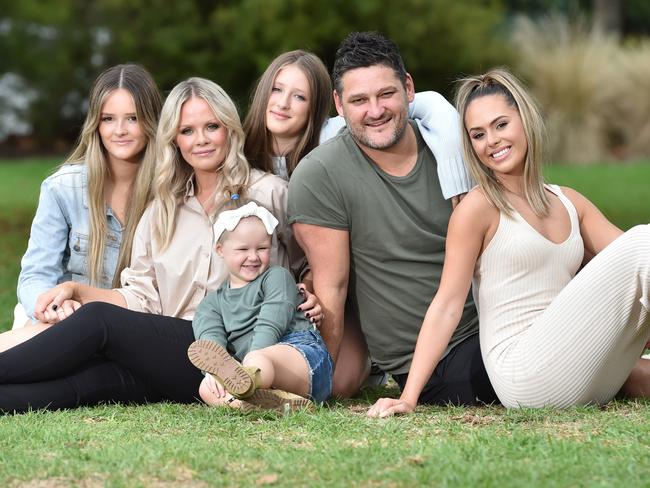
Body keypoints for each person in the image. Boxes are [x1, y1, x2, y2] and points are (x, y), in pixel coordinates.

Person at [0, 77, 319, 413]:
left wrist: (309, 286)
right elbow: (140, 297)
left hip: (238, 349)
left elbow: (308, 260)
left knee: (98, 322)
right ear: (174, 140)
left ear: (230, 129)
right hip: (173, 358)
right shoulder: (162, 210)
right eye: (187, 131)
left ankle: (244, 386)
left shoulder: (269, 193)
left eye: (212, 126)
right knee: (87, 383)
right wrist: (77, 290)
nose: (201, 140)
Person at [368, 68, 650, 416]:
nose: (492, 141)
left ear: (525, 120)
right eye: (478, 134)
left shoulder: (570, 202)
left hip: (578, 366)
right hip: (523, 373)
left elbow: (637, 268)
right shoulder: (477, 208)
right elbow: (447, 305)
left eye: (501, 125)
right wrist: (408, 398)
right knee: (644, 240)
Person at [288, 31, 498, 403]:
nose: (375, 110)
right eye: (359, 100)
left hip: (502, 320)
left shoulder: (454, 149)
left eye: (386, 94)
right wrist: (325, 381)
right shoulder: (321, 174)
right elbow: (332, 287)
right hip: (436, 362)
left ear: (408, 89)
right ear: (338, 104)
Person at [12, 64, 161, 331]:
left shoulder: (169, 193)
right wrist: (57, 307)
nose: (119, 130)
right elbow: (36, 276)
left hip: (134, 327)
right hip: (64, 319)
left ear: (151, 121)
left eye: (133, 118)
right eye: (108, 119)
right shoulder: (62, 189)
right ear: (96, 123)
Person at [244, 49, 473, 202]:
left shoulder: (331, 133)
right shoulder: (239, 147)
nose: (282, 104)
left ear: (316, 106)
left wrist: (454, 176)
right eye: (277, 89)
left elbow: (431, 103)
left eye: (299, 97)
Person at [188, 194, 332, 412]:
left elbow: (270, 324)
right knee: (205, 388)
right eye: (243, 249)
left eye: (262, 248)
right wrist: (215, 373)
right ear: (220, 250)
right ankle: (265, 403)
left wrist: (247, 366)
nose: (253, 257)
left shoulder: (276, 277)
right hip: (255, 373)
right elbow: (210, 341)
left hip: (300, 359)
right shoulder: (211, 304)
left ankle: (246, 386)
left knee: (257, 356)